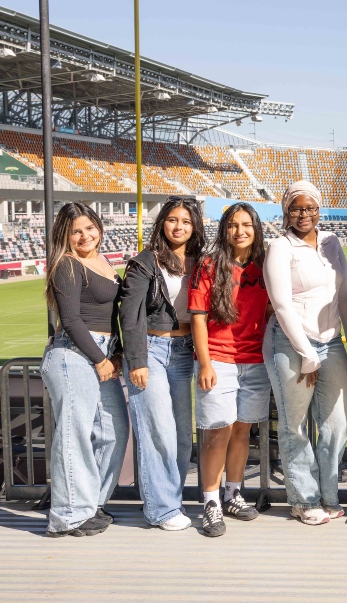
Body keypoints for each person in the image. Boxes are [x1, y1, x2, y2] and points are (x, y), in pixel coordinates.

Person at [265, 181, 347, 526]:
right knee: (295, 425)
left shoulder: (332, 242)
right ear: (286, 211)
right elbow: (282, 304)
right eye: (296, 208)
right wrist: (306, 352)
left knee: (337, 423)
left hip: (331, 343)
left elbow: (342, 295)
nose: (304, 214)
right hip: (290, 343)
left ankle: (329, 494)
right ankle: (304, 498)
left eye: (310, 208)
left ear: (320, 209)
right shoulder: (279, 247)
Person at [40, 202, 128, 537]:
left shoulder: (104, 261)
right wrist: (100, 359)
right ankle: (67, 516)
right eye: (75, 231)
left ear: (99, 228)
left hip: (101, 352)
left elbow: (113, 316)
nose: (84, 235)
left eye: (89, 228)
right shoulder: (66, 264)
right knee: (74, 435)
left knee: (113, 431)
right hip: (74, 354)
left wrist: (114, 353)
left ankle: (90, 504)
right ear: (65, 235)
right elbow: (72, 319)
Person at [119, 197, 205, 531]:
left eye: (186, 220)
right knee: (159, 432)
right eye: (172, 219)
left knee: (183, 435)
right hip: (151, 351)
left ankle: (172, 500)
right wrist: (137, 359)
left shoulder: (200, 262)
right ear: (162, 224)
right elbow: (129, 314)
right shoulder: (145, 263)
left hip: (184, 351)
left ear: (194, 225)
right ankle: (160, 509)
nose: (179, 226)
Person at [189, 203, 269, 537]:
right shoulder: (209, 265)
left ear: (256, 228)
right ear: (225, 229)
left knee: (241, 432)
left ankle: (233, 492)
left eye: (246, 224)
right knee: (217, 432)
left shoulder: (265, 265)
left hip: (255, 362)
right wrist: (205, 362)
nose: (240, 231)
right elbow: (198, 316)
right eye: (233, 225)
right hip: (218, 362)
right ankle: (210, 501)